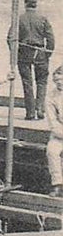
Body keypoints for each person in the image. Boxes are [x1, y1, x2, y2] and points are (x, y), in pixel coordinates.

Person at [10, 0, 55, 120]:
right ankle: (40, 109)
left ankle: (30, 112)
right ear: (36, 4)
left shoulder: (19, 19)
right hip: (40, 52)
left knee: (27, 83)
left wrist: (15, 54)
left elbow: (10, 38)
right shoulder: (43, 19)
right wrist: (48, 54)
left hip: (24, 52)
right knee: (41, 81)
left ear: (25, 4)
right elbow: (51, 38)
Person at [47, 65, 63, 196]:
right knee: (52, 150)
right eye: (56, 81)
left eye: (61, 80)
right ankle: (57, 184)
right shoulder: (51, 96)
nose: (59, 83)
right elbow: (53, 121)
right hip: (60, 133)